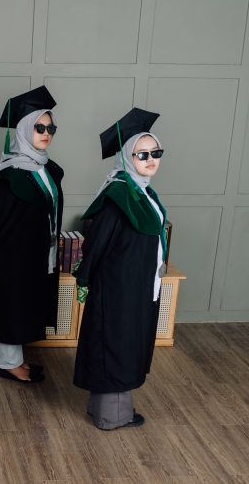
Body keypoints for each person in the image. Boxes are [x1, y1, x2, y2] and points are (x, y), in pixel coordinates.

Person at [74, 108, 167, 431]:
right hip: (119, 288)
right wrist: (84, 277)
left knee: (125, 342)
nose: (151, 159)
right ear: (128, 157)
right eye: (142, 154)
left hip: (136, 285)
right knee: (117, 344)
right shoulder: (119, 196)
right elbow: (97, 242)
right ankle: (113, 416)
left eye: (156, 152)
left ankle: (102, 407)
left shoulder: (142, 191)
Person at [0, 86, 63, 383]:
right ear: (25, 130)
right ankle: (7, 362)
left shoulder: (47, 168)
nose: (46, 133)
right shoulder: (10, 175)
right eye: (39, 128)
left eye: (51, 128)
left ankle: (13, 358)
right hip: (12, 254)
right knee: (11, 304)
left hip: (37, 251)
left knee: (24, 304)